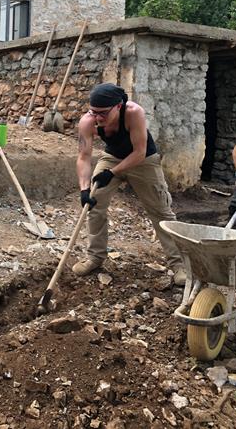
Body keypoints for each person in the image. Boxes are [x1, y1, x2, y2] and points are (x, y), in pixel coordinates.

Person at [72, 83, 185, 286]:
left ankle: (179, 265)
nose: (98, 118)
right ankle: (95, 257)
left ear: (118, 106)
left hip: (144, 160)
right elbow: (83, 157)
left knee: (161, 211)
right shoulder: (88, 121)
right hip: (112, 157)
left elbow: (139, 152)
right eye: (94, 112)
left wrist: (112, 173)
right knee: (94, 205)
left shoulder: (134, 113)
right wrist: (84, 189)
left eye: (103, 113)